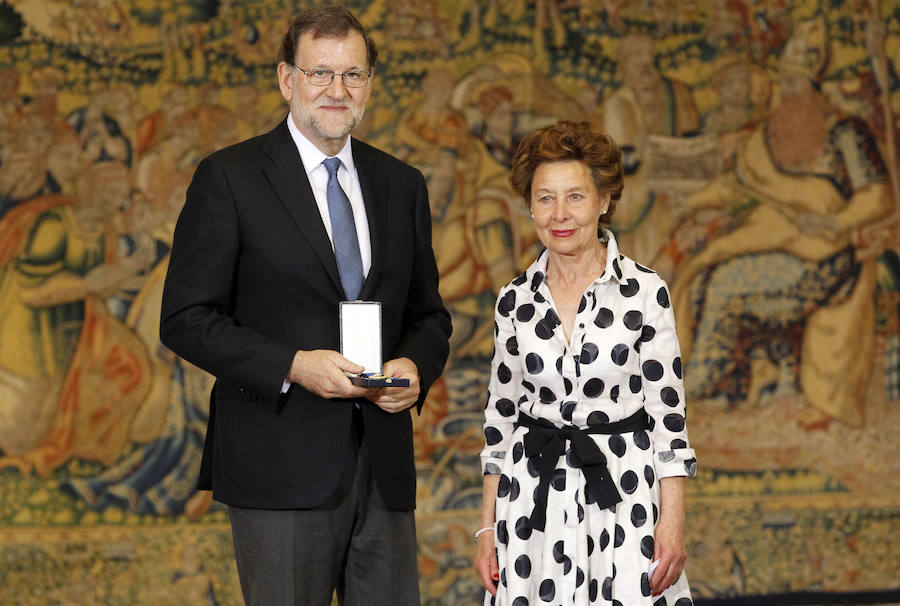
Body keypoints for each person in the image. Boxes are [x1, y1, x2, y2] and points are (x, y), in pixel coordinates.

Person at [159, 6, 451, 606]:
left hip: (384, 463)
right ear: (287, 79)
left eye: (352, 75)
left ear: (369, 83)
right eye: (320, 74)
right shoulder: (229, 178)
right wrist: (293, 364)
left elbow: (430, 317)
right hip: (277, 465)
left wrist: (415, 368)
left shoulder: (402, 183)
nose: (337, 91)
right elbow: (185, 319)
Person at [475, 120, 697, 605]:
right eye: (545, 198)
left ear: (603, 200)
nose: (560, 214)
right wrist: (487, 530)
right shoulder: (514, 300)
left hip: (625, 499)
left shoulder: (645, 291)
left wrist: (672, 521)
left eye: (575, 196)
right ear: (529, 205)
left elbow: (669, 420)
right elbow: (500, 423)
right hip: (533, 505)